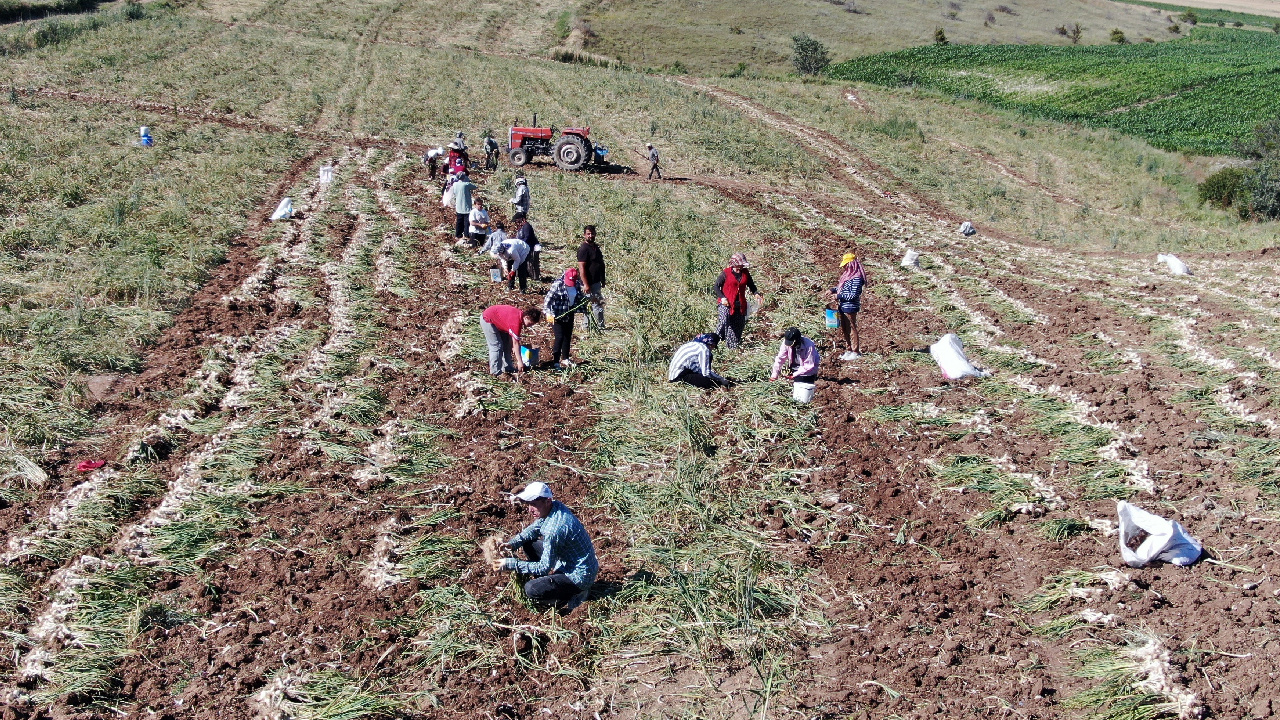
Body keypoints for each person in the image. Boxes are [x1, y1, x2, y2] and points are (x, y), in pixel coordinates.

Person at [492, 481, 598, 611]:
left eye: (534, 505)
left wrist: (511, 564)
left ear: (547, 501)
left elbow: (543, 567)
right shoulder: (555, 507)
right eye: (529, 504)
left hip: (579, 576)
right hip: (567, 560)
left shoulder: (555, 530)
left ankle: (567, 597)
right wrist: (512, 543)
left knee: (532, 589)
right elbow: (535, 528)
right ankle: (551, 583)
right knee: (528, 543)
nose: (530, 509)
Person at [713, 252, 759, 350]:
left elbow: (751, 285)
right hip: (726, 304)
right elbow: (716, 286)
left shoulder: (745, 273)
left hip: (740, 305)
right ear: (735, 264)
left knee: (737, 326)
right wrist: (722, 297)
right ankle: (713, 342)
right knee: (723, 321)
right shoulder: (726, 273)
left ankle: (731, 349)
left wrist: (756, 293)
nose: (742, 266)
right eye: (740, 264)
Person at [480, 304, 541, 375]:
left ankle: (508, 368)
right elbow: (516, 343)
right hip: (488, 319)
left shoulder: (520, 315)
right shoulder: (516, 322)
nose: (530, 326)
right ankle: (495, 372)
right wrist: (520, 361)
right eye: (530, 323)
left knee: (507, 345)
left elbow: (512, 343)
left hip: (500, 322)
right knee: (496, 346)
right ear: (526, 317)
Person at [543, 268, 584, 370]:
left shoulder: (577, 284)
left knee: (567, 336)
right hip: (557, 314)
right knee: (559, 337)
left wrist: (587, 303)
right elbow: (547, 300)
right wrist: (548, 313)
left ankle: (565, 358)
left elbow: (580, 298)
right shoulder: (557, 285)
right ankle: (556, 362)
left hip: (569, 312)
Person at [831, 252, 866, 360]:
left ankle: (855, 351)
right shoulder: (848, 276)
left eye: (846, 265)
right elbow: (841, 288)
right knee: (845, 329)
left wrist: (839, 296)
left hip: (850, 307)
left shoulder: (857, 278)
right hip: (843, 306)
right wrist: (832, 290)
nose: (844, 267)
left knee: (851, 328)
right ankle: (849, 349)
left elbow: (853, 294)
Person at [576, 225, 606, 329]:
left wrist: (603, 279)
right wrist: (586, 284)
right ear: (584, 235)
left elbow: (600, 263)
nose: (590, 235)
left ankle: (588, 326)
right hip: (589, 283)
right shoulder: (584, 249)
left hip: (596, 281)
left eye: (592, 233)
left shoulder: (596, 247)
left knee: (593, 305)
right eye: (588, 234)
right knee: (594, 305)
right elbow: (582, 268)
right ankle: (598, 326)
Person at [513, 212, 540, 281]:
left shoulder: (527, 226)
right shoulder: (521, 227)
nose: (516, 222)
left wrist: (520, 245)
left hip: (532, 247)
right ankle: (528, 276)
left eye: (517, 220)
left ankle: (535, 278)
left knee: (532, 263)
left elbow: (526, 238)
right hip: (526, 248)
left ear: (522, 219)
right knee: (527, 263)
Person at [451, 173, 476, 241]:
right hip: (466, 206)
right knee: (466, 222)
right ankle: (466, 235)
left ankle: (458, 235)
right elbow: (475, 187)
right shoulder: (466, 184)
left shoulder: (455, 184)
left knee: (459, 221)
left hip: (458, 206)